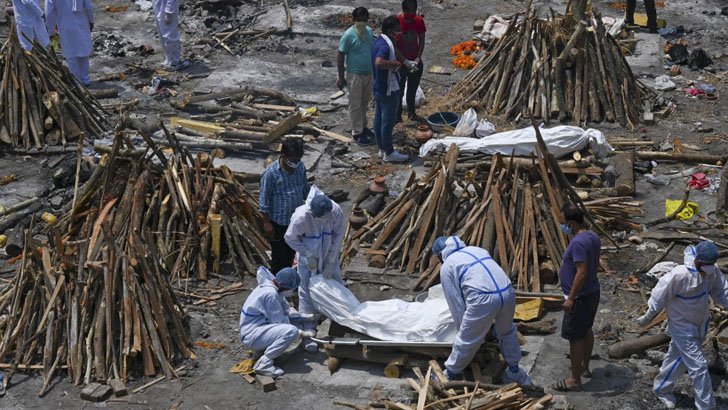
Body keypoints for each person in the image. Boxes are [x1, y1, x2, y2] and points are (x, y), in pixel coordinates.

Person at [634, 241, 728, 409]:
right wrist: (648, 316)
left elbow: (722, 293)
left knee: (677, 358)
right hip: (681, 326)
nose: (708, 268)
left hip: (700, 323)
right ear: (698, 261)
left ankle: (662, 388)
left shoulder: (712, 272)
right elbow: (659, 296)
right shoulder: (679, 276)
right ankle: (706, 406)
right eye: (705, 265)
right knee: (699, 367)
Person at [432, 236, 531, 385]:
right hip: (507, 291)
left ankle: (450, 374)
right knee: (507, 331)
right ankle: (515, 371)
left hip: (483, 298)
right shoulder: (477, 250)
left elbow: (456, 304)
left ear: (440, 255)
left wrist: (463, 329)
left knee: (466, 340)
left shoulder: (448, 266)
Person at [284, 190, 345, 352]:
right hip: (308, 256)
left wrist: (331, 261)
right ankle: (308, 328)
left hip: (328, 251)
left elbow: (339, 236)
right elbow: (289, 238)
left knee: (335, 283)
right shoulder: (301, 216)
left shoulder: (335, 210)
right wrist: (307, 254)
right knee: (305, 289)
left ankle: (340, 318)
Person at [553, 203, 601, 392]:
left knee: (576, 337)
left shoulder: (579, 242)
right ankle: (585, 367)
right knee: (586, 329)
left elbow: (581, 272)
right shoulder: (592, 236)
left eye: (564, 222)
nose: (562, 226)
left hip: (580, 297)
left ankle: (574, 379)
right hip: (591, 292)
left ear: (571, 223)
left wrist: (570, 298)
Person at [239, 267, 314, 378]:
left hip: (255, 330)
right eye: (292, 289)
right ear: (288, 286)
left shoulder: (272, 287)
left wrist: (301, 316)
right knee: (291, 331)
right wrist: (302, 333)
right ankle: (264, 364)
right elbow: (279, 321)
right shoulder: (270, 294)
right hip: (251, 336)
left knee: (290, 327)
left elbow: (285, 308)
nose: (291, 291)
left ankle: (261, 352)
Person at [259, 140, 309, 275]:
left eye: (298, 159)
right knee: (278, 256)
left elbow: (305, 190)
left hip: (295, 221)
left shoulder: (300, 168)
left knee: (291, 253)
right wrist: (266, 222)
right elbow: (264, 199)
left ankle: (287, 281)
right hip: (278, 223)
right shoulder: (271, 174)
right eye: (293, 159)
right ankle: (277, 283)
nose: (296, 162)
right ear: (284, 156)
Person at [372, 16, 408, 163]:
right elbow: (379, 62)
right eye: (397, 32)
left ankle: (381, 148)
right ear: (389, 31)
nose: (399, 34)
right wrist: (394, 64)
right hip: (388, 88)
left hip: (379, 87)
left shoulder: (378, 41)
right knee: (388, 121)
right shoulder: (385, 46)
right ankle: (389, 152)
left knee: (379, 119)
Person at [337, 7, 374, 146]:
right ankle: (357, 132)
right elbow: (340, 55)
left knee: (365, 103)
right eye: (359, 20)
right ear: (353, 20)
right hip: (355, 75)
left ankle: (363, 127)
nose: (362, 23)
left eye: (364, 20)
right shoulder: (348, 35)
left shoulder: (369, 32)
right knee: (355, 104)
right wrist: (341, 77)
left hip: (369, 74)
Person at [45, 0, 94, 86]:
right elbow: (89, 7)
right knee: (84, 52)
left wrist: (50, 30)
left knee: (71, 55)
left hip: (65, 26)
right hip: (82, 24)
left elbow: (49, 13)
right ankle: (85, 79)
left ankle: (77, 82)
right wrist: (91, 21)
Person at [395, 0, 427, 125]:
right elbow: (393, 45)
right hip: (400, 63)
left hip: (415, 61)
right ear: (403, 10)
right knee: (400, 89)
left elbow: (422, 40)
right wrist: (404, 61)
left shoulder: (418, 21)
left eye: (413, 10)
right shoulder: (397, 21)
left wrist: (418, 58)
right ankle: (397, 116)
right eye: (408, 11)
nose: (411, 13)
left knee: (412, 88)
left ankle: (411, 112)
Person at [152, 0, 190, 71]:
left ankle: (174, 62)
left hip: (166, 6)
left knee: (170, 35)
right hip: (158, 4)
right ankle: (169, 59)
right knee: (162, 33)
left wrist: (169, 10)